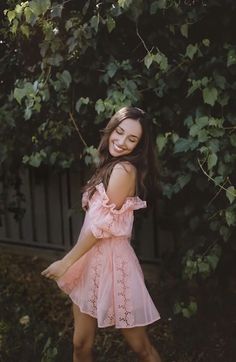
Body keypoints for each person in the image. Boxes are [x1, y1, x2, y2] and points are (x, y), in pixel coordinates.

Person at [41, 106, 162, 362]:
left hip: (114, 265)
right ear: (111, 129)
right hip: (90, 261)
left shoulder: (124, 170)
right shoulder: (110, 165)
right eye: (119, 132)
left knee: (141, 348)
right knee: (80, 344)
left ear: (139, 146)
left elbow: (100, 228)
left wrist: (66, 262)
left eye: (132, 139)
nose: (121, 142)